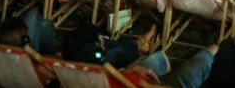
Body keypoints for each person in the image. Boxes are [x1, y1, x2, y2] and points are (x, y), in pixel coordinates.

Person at [62, 22, 216, 88]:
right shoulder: (125, 80)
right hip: (141, 83)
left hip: (121, 75)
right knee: (207, 56)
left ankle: (141, 45)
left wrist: (125, 71)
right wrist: (133, 77)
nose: (103, 39)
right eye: (101, 40)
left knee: (156, 58)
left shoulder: (63, 71)